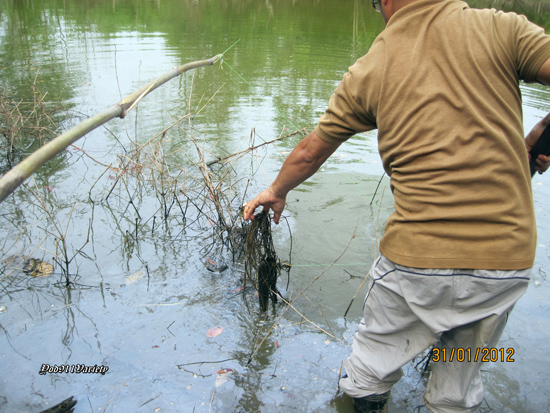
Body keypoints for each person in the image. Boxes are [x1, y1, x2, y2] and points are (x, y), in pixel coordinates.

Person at [243, 0, 550, 411]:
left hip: (416, 263)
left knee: (368, 374)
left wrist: (276, 191)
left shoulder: (371, 67)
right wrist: (537, 142)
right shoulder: (503, 29)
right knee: (458, 387)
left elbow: (309, 153)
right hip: (505, 263)